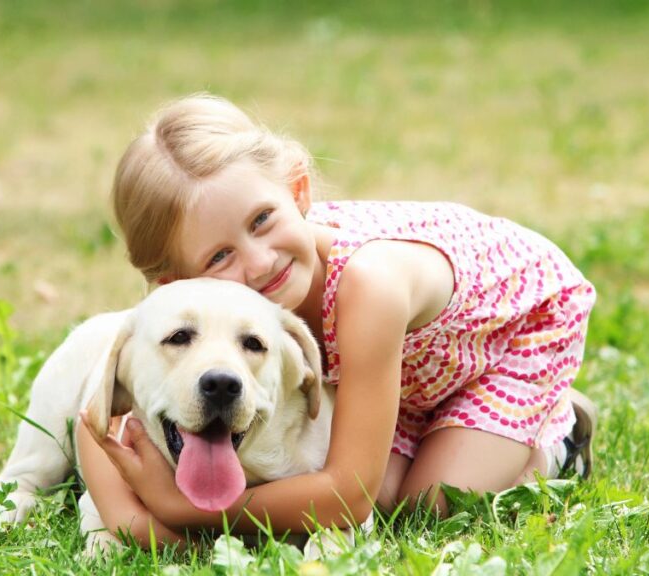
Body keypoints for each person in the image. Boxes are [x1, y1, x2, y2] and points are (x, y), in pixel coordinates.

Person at [76, 94, 598, 547]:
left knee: (425, 505)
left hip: (509, 331)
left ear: (298, 192)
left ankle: (558, 435)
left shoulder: (371, 285)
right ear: (177, 284)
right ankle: (436, 428)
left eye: (262, 220)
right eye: (218, 258)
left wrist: (180, 509)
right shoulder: (193, 320)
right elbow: (96, 417)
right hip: (396, 364)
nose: (259, 263)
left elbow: (349, 496)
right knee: (375, 485)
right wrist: (124, 518)